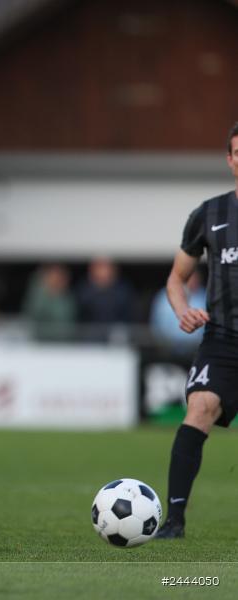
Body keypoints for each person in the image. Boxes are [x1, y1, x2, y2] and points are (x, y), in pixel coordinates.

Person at [156, 122, 238, 539]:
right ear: (230, 160)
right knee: (200, 407)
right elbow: (176, 278)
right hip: (223, 339)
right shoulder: (209, 214)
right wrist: (183, 310)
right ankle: (174, 521)